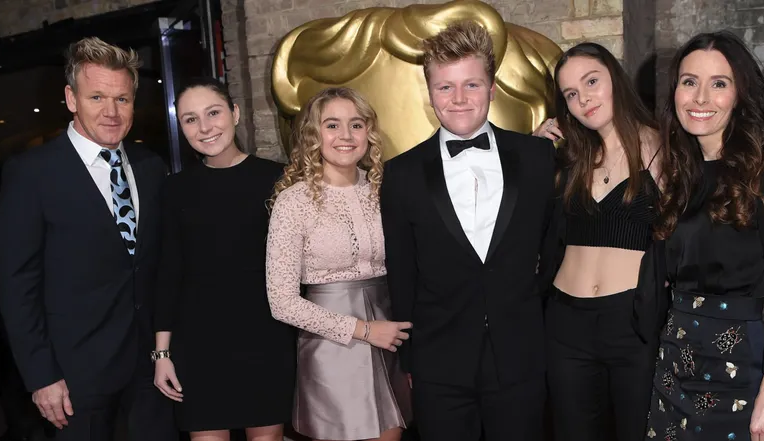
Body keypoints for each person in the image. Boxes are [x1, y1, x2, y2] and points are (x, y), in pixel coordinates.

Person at [0, 37, 177, 441]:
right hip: (74, 379)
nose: (111, 112)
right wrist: (42, 376)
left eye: (122, 100)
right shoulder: (31, 174)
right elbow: (16, 284)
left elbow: (159, 264)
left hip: (152, 371)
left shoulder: (150, 167)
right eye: (97, 97)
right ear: (71, 98)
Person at [381, 21, 557, 441]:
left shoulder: (537, 157)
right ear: (430, 93)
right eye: (445, 88)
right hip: (438, 364)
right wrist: (410, 361)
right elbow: (401, 272)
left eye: (472, 85)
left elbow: (554, 249)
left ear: (492, 88)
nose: (458, 99)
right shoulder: (400, 174)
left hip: (522, 356)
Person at [646, 31, 764, 441]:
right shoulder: (681, 175)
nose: (700, 98)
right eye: (689, 82)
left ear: (740, 95)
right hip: (674, 358)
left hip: (737, 363)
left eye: (719, 83)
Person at [533, 42, 665, 441]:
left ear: (616, 80)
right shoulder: (568, 159)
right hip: (565, 322)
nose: (583, 99)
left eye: (591, 81)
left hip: (631, 323)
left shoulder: (665, 149)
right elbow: (518, 223)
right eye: (571, 94)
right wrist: (532, 151)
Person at [265, 86, 413, 441]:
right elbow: (280, 301)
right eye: (332, 125)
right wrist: (363, 330)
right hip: (330, 345)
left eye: (356, 125)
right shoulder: (293, 202)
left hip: (390, 338)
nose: (345, 136)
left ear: (369, 133)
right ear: (314, 135)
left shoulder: (386, 191)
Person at [152, 77, 295, 441]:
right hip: (198, 346)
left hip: (266, 338)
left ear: (234, 113)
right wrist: (161, 354)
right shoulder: (174, 190)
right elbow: (168, 273)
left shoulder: (278, 179)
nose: (204, 127)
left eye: (213, 112)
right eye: (190, 119)